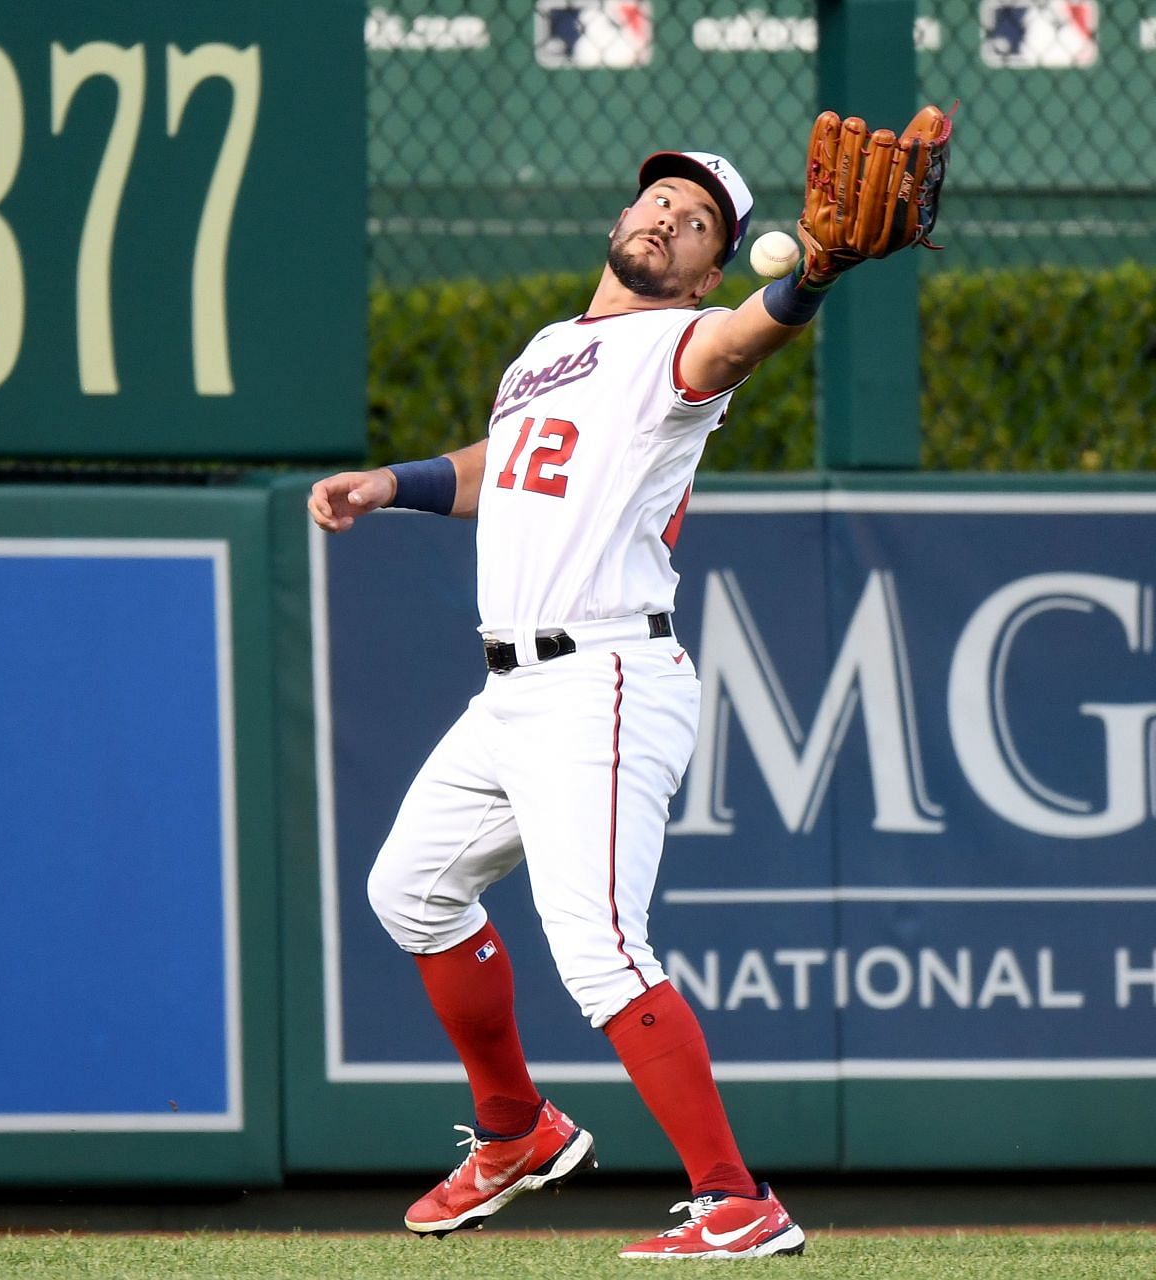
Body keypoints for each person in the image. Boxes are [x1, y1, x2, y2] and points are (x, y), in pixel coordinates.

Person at [309, 148, 838, 1260]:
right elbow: (504, 467)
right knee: (410, 887)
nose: (668, 218)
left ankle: (738, 1198)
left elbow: (750, 335)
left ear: (705, 272)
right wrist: (390, 483)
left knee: (598, 946)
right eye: (660, 198)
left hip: (603, 675)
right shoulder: (553, 350)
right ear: (623, 212)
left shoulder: (679, 345)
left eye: (698, 221)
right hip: (512, 689)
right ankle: (514, 1128)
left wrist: (807, 282)